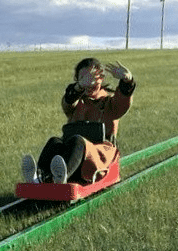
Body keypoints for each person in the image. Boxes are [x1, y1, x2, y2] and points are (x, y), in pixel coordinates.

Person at [21, 57, 136, 185]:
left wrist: (127, 81)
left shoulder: (110, 104)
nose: (89, 82)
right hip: (74, 154)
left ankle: (61, 177)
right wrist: (80, 86)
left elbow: (122, 102)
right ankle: (40, 176)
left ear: (101, 78)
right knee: (55, 142)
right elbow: (68, 101)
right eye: (84, 78)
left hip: (99, 154)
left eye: (93, 77)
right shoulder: (76, 103)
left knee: (78, 140)